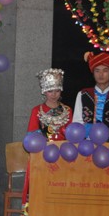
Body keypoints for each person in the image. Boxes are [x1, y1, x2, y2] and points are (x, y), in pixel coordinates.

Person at [21, 68, 72, 208]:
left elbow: (72, 136)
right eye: (50, 91)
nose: (54, 94)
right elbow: (31, 135)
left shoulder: (68, 111)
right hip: (41, 156)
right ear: (44, 91)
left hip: (63, 156)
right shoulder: (37, 111)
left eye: (57, 90)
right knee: (40, 190)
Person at [73, 52, 109, 139]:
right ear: (93, 73)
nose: (101, 74)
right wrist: (90, 130)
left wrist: (108, 132)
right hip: (86, 142)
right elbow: (77, 121)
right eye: (97, 71)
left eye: (105, 70)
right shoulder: (83, 94)